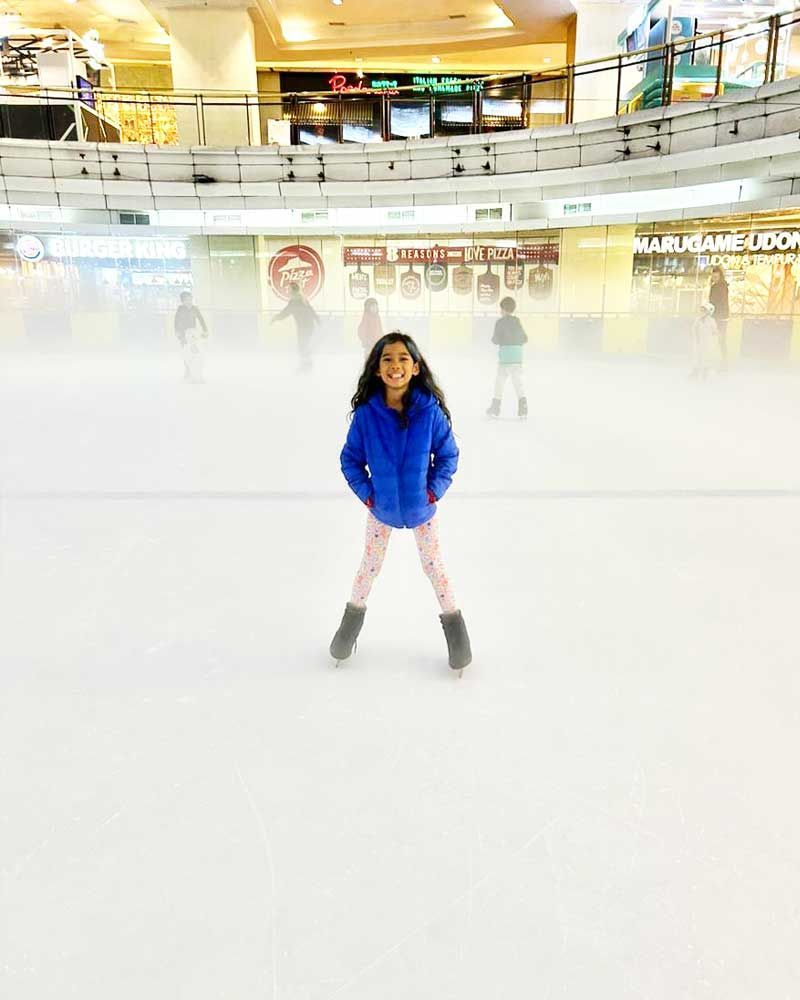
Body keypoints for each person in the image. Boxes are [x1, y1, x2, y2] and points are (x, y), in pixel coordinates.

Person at [329, 332, 472, 674]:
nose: (395, 366)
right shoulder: (366, 415)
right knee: (369, 567)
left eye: (403, 359)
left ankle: (458, 638)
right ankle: (347, 632)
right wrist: (368, 494)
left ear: (416, 367)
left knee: (434, 567)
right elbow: (350, 459)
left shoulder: (429, 412)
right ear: (377, 369)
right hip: (382, 510)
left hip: (422, 510)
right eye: (387, 360)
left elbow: (448, 455)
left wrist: (432, 492)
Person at [486, 296, 529, 419]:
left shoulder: (500, 322)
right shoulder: (517, 321)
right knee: (518, 383)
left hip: (505, 358)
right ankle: (523, 409)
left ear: (503, 309)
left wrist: (497, 340)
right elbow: (525, 338)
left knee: (499, 382)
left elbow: (495, 339)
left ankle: (495, 408)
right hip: (517, 356)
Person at [271, 282, 320, 373]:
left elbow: (285, 312)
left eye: (289, 289)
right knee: (304, 345)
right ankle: (307, 365)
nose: (287, 291)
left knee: (302, 345)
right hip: (308, 325)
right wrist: (317, 319)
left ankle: (306, 366)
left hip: (304, 326)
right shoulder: (302, 298)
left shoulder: (295, 301)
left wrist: (275, 318)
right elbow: (311, 309)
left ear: (293, 290)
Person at [173, 291, 208, 383]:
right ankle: (188, 371)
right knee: (187, 354)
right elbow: (176, 321)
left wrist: (205, 330)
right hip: (183, 334)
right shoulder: (180, 309)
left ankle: (198, 374)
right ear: (183, 301)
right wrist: (177, 332)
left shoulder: (195, 309)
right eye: (187, 299)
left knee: (197, 353)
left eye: (190, 299)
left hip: (193, 333)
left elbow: (201, 319)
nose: (189, 301)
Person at [709, 266, 730, 370]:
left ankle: (721, 362)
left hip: (719, 317)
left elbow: (717, 303)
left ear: (720, 276)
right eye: (713, 276)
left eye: (716, 276)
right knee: (720, 340)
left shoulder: (719, 287)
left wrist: (712, 315)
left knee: (719, 339)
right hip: (719, 317)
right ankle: (721, 361)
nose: (714, 278)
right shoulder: (721, 286)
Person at [691, 302, 718, 379]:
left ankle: (705, 373)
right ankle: (695, 372)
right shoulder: (697, 320)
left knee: (706, 357)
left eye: (704, 310)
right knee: (697, 356)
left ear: (708, 312)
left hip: (707, 343)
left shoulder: (711, 320)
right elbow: (693, 328)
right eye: (701, 310)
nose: (701, 312)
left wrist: (714, 336)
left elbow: (715, 331)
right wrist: (696, 337)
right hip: (698, 341)